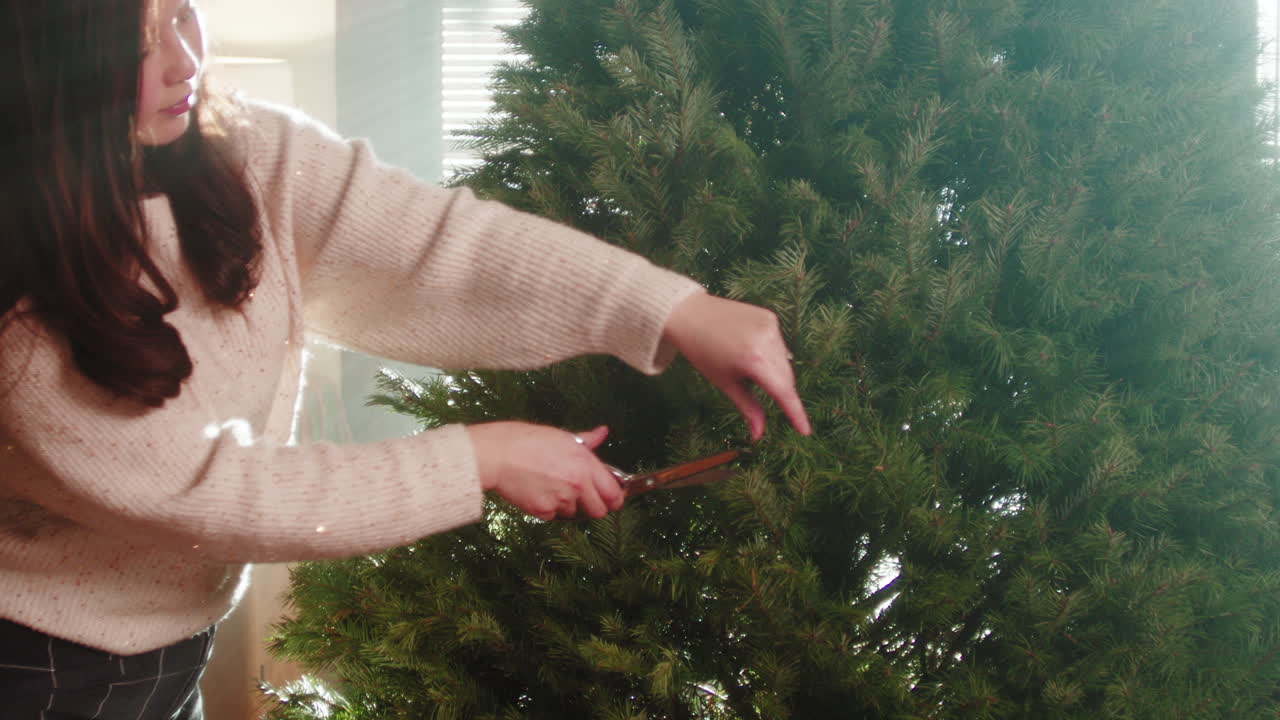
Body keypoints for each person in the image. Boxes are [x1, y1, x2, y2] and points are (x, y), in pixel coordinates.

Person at [0, 0, 811, 717]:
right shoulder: (21, 311)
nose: (184, 58)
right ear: (47, 72)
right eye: (138, 44)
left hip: (171, 643)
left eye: (182, 12)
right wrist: (480, 458)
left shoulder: (245, 150)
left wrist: (672, 308)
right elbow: (219, 498)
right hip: (42, 666)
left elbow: (438, 245)